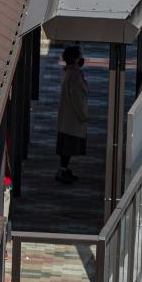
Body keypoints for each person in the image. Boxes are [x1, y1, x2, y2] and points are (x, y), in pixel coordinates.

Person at [56, 44, 88, 184]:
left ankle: (64, 169)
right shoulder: (75, 75)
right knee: (68, 147)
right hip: (72, 119)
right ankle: (62, 171)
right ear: (75, 59)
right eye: (80, 56)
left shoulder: (68, 72)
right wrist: (83, 115)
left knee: (66, 147)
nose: (82, 59)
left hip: (66, 119)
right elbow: (77, 98)